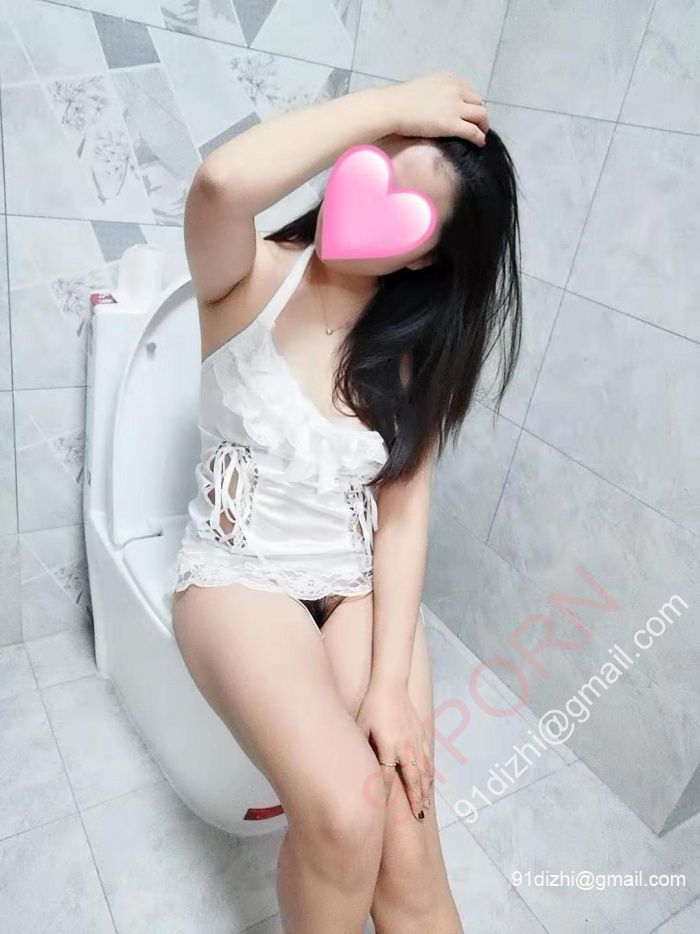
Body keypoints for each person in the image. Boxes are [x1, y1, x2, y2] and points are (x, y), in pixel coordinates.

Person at [170, 70, 522, 933]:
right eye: (375, 165)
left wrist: (389, 687)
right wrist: (393, 108)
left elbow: (402, 515)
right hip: (239, 576)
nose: (370, 198)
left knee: (408, 843)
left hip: (355, 589)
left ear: (427, 257)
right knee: (342, 813)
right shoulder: (248, 275)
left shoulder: (414, 349)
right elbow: (220, 181)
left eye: (409, 206)